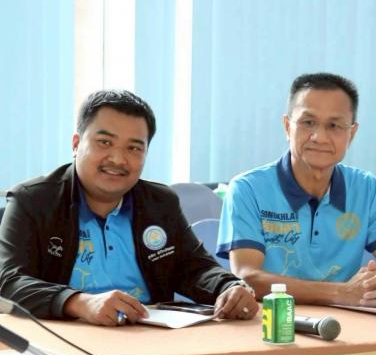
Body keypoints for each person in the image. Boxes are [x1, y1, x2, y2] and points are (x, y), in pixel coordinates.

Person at [0, 90, 258, 326]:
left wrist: (229, 287)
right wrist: (78, 302)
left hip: (148, 338)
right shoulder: (32, 201)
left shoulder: (160, 203)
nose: (118, 159)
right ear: (76, 144)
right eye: (104, 142)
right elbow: (8, 281)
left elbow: (194, 268)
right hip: (66, 337)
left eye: (134, 148)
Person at [217, 73, 376, 308]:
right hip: (272, 321)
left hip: (348, 322)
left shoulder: (366, 188)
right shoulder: (247, 189)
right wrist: (341, 293)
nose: (319, 137)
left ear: (351, 134)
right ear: (287, 126)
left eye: (333, 125)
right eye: (308, 122)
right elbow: (247, 277)